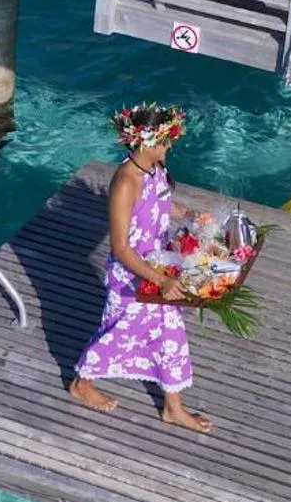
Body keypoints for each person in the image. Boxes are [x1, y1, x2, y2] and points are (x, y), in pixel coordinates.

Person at [68, 102, 214, 432]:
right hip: (132, 277)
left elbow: (161, 202)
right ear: (144, 142)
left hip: (156, 265)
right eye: (164, 141)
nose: (169, 147)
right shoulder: (125, 183)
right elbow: (120, 247)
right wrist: (159, 280)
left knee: (169, 334)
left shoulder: (154, 169)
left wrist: (189, 215)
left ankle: (172, 407)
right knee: (119, 333)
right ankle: (81, 383)